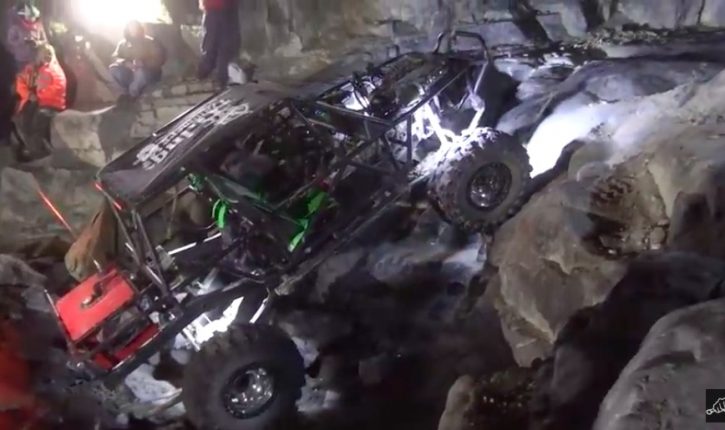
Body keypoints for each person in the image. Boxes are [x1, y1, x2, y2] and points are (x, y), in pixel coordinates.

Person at [14, 41, 66, 160]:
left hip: (45, 103)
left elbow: (47, 87)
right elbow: (20, 84)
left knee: (32, 125)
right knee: (22, 121)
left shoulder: (49, 68)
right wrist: (29, 94)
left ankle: (38, 152)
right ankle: (34, 150)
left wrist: (37, 93)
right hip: (35, 101)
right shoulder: (30, 69)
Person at [109, 21, 165, 100]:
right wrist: (125, 63)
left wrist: (143, 63)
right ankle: (123, 94)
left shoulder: (150, 42)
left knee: (140, 72)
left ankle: (132, 95)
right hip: (130, 72)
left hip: (148, 72)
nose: (133, 30)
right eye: (131, 28)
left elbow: (159, 59)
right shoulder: (122, 44)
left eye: (135, 27)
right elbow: (114, 57)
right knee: (113, 69)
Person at [198, 0, 240, 88]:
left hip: (213, 9)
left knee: (211, 44)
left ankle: (205, 75)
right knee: (223, 46)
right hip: (224, 9)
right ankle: (220, 79)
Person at [5, 0, 47, 68]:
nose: (31, 18)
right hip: (21, 58)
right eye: (29, 16)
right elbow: (10, 40)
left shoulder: (39, 26)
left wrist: (37, 43)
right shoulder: (16, 26)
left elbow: (45, 40)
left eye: (33, 16)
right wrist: (22, 41)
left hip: (35, 58)